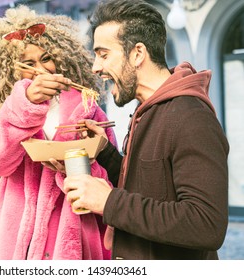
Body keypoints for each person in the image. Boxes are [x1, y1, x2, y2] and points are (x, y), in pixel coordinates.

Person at [63, 0, 230, 260]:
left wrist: (108, 202)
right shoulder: (148, 110)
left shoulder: (191, 116)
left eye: (104, 54)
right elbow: (149, 188)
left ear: (137, 54)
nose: (96, 67)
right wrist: (105, 152)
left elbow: (206, 224)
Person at [0, 6, 117, 260]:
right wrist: (25, 102)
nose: (41, 69)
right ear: (11, 69)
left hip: (75, 234)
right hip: (19, 240)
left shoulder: (86, 105)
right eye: (28, 63)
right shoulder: (4, 109)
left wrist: (87, 165)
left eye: (47, 58)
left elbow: (110, 174)